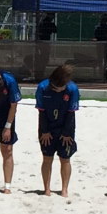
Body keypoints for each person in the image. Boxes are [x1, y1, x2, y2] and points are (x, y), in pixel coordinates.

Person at [35, 64, 80, 198]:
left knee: (65, 159)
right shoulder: (43, 87)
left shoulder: (72, 89)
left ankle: (64, 189)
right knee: (47, 158)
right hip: (47, 126)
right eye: (55, 88)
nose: (58, 90)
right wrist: (44, 131)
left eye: (61, 88)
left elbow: (71, 114)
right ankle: (47, 189)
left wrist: (67, 133)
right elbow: (41, 112)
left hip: (65, 127)